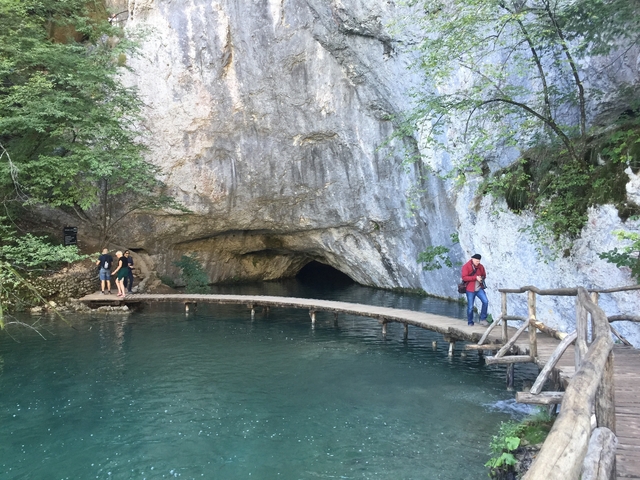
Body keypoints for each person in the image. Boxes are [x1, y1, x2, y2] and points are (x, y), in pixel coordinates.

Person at [461, 253, 488, 326]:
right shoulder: (466, 266)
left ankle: (483, 319)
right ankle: (470, 322)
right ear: (472, 259)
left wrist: (481, 278)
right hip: (470, 289)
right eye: (476, 261)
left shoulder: (481, 267)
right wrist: (475, 278)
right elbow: (464, 277)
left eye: (479, 261)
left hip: (479, 288)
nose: (478, 263)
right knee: (470, 307)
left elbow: (484, 275)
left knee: (485, 301)